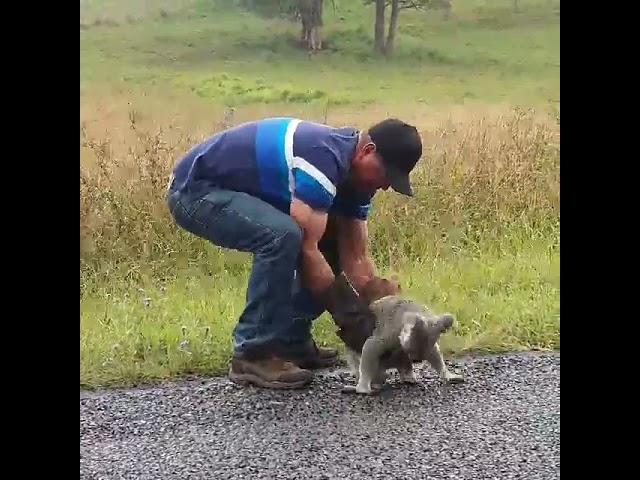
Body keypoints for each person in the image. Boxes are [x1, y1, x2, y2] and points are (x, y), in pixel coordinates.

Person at [166, 116, 423, 389]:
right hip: (195, 192)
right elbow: (307, 251)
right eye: (386, 174)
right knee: (283, 236)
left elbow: (356, 258)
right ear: (367, 151)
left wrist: (385, 318)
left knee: (328, 235)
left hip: (220, 193)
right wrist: (352, 321)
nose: (384, 186)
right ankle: (253, 354)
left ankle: (290, 339)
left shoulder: (358, 181)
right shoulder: (322, 161)